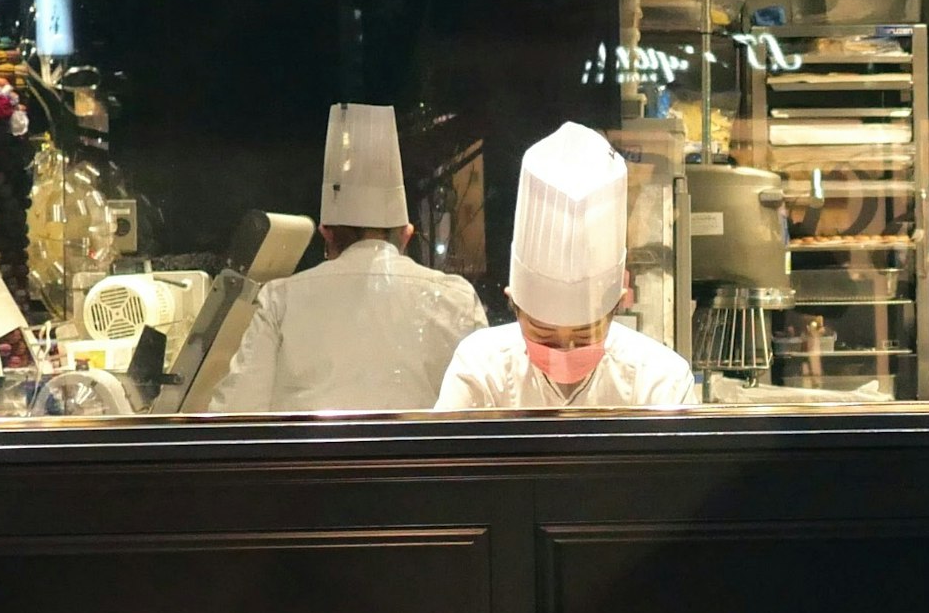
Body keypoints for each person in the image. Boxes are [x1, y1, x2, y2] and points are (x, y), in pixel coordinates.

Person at [207, 104, 484, 413]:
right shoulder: (458, 299)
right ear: (406, 235)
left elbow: (234, 415)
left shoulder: (281, 300)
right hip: (427, 462)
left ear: (327, 235)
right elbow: (488, 413)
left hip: (309, 461)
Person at [436, 123, 700, 412]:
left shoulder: (661, 380)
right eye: (543, 334)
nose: (565, 352)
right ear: (513, 300)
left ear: (619, 302)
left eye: (585, 335)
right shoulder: (479, 368)